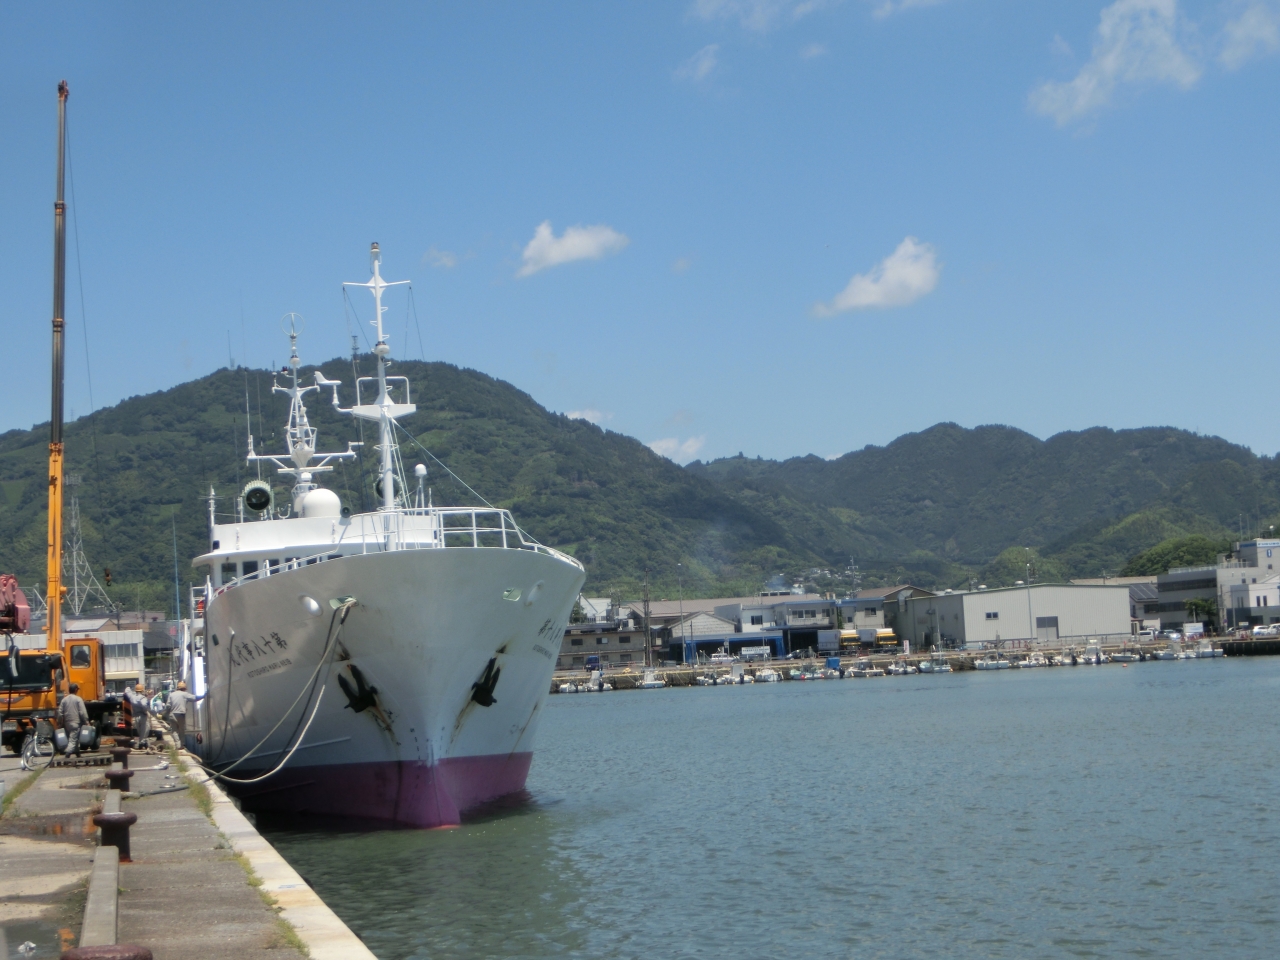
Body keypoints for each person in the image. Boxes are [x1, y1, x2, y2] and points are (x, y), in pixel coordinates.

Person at [165, 680, 204, 747]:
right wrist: (204, 695)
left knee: (174, 731)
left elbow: (168, 706)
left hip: (172, 714)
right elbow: (195, 698)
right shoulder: (184, 694)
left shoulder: (171, 695)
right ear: (184, 689)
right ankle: (181, 744)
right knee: (181, 730)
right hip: (181, 714)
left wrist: (168, 713)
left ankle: (177, 744)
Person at [58, 682, 89, 757]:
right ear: (75, 690)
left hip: (67, 723)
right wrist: (86, 721)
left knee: (73, 738)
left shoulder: (64, 700)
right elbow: (82, 712)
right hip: (75, 723)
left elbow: (60, 713)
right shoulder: (78, 699)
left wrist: (59, 723)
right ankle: (68, 753)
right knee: (73, 739)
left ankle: (78, 753)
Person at [125, 683, 152, 747]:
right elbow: (144, 705)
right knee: (145, 730)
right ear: (142, 691)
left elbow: (127, 691)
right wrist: (145, 711)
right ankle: (142, 743)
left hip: (136, 716)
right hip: (143, 716)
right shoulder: (143, 698)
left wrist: (128, 687)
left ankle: (141, 742)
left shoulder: (132, 697)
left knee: (139, 731)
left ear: (136, 690)